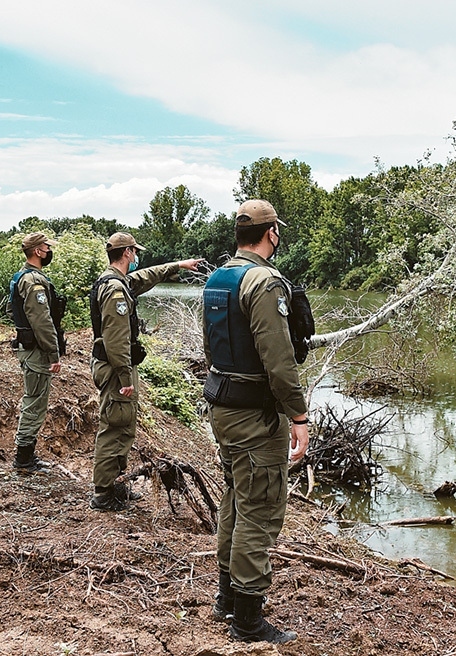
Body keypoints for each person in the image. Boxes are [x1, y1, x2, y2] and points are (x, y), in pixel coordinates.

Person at [201, 199, 311, 644]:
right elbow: (279, 361)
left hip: (224, 407)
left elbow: (213, 349)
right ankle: (247, 620)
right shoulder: (263, 281)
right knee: (260, 510)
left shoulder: (218, 278)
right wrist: (298, 414)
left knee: (236, 497)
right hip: (255, 416)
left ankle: (227, 599)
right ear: (271, 233)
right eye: (277, 231)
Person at [88, 231, 202, 511]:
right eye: (135, 252)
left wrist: (178, 265)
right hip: (115, 370)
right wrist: (125, 377)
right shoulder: (115, 290)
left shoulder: (117, 280)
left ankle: (116, 485)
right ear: (127, 253)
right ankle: (103, 493)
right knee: (114, 427)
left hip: (116, 368)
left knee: (123, 425)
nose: (137, 256)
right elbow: (116, 339)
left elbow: (147, 276)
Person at [7, 232, 67, 473]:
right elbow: (42, 321)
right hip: (36, 352)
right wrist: (53, 353)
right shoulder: (33, 281)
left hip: (31, 348)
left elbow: (12, 311)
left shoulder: (22, 277)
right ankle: (23, 459)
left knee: (35, 401)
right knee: (34, 403)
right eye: (46, 247)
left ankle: (27, 456)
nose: (49, 251)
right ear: (37, 251)